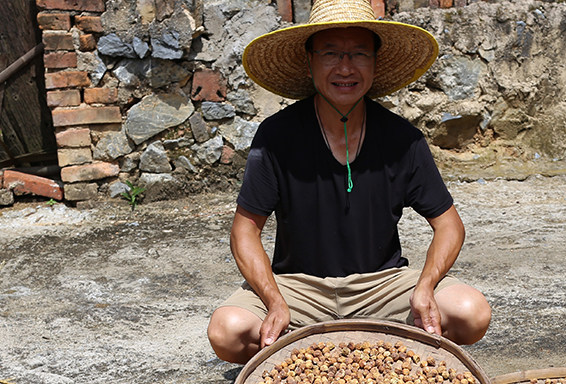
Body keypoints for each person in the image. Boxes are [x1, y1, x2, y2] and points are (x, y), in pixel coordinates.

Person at [208, 0, 491, 364]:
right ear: (309, 62)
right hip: (299, 288)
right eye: (330, 53)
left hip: (382, 285)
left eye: (359, 54)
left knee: (470, 313)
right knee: (227, 331)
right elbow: (244, 231)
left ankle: (334, 352)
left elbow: (449, 225)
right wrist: (274, 300)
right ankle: (324, 353)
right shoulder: (276, 136)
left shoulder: (403, 139)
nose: (345, 67)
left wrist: (424, 286)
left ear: (375, 63)